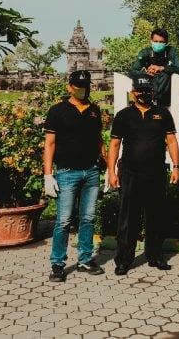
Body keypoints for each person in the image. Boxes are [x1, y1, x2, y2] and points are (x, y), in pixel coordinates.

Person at [108, 76, 179, 276]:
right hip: (130, 174)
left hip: (156, 173)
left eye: (147, 90)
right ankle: (123, 259)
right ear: (133, 92)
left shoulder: (162, 113)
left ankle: (155, 255)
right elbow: (114, 145)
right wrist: (111, 172)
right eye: (140, 91)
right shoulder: (123, 116)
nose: (144, 94)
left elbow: (172, 141)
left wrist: (176, 166)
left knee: (156, 215)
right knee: (127, 218)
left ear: (152, 92)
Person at [43, 70, 105, 282]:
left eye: (85, 86)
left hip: (91, 172)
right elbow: (49, 144)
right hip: (67, 172)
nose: (82, 89)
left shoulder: (94, 111)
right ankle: (58, 264)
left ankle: (85, 258)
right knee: (63, 220)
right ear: (70, 86)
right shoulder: (58, 111)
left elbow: (99, 141)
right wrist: (47, 174)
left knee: (88, 218)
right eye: (78, 86)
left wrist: (105, 165)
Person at [129, 28, 179, 107]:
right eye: (155, 41)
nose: (158, 44)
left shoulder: (172, 52)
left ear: (166, 42)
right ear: (151, 41)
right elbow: (132, 71)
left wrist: (162, 68)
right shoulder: (145, 53)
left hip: (167, 93)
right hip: (148, 89)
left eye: (161, 42)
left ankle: (161, 104)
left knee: (165, 74)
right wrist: (146, 74)